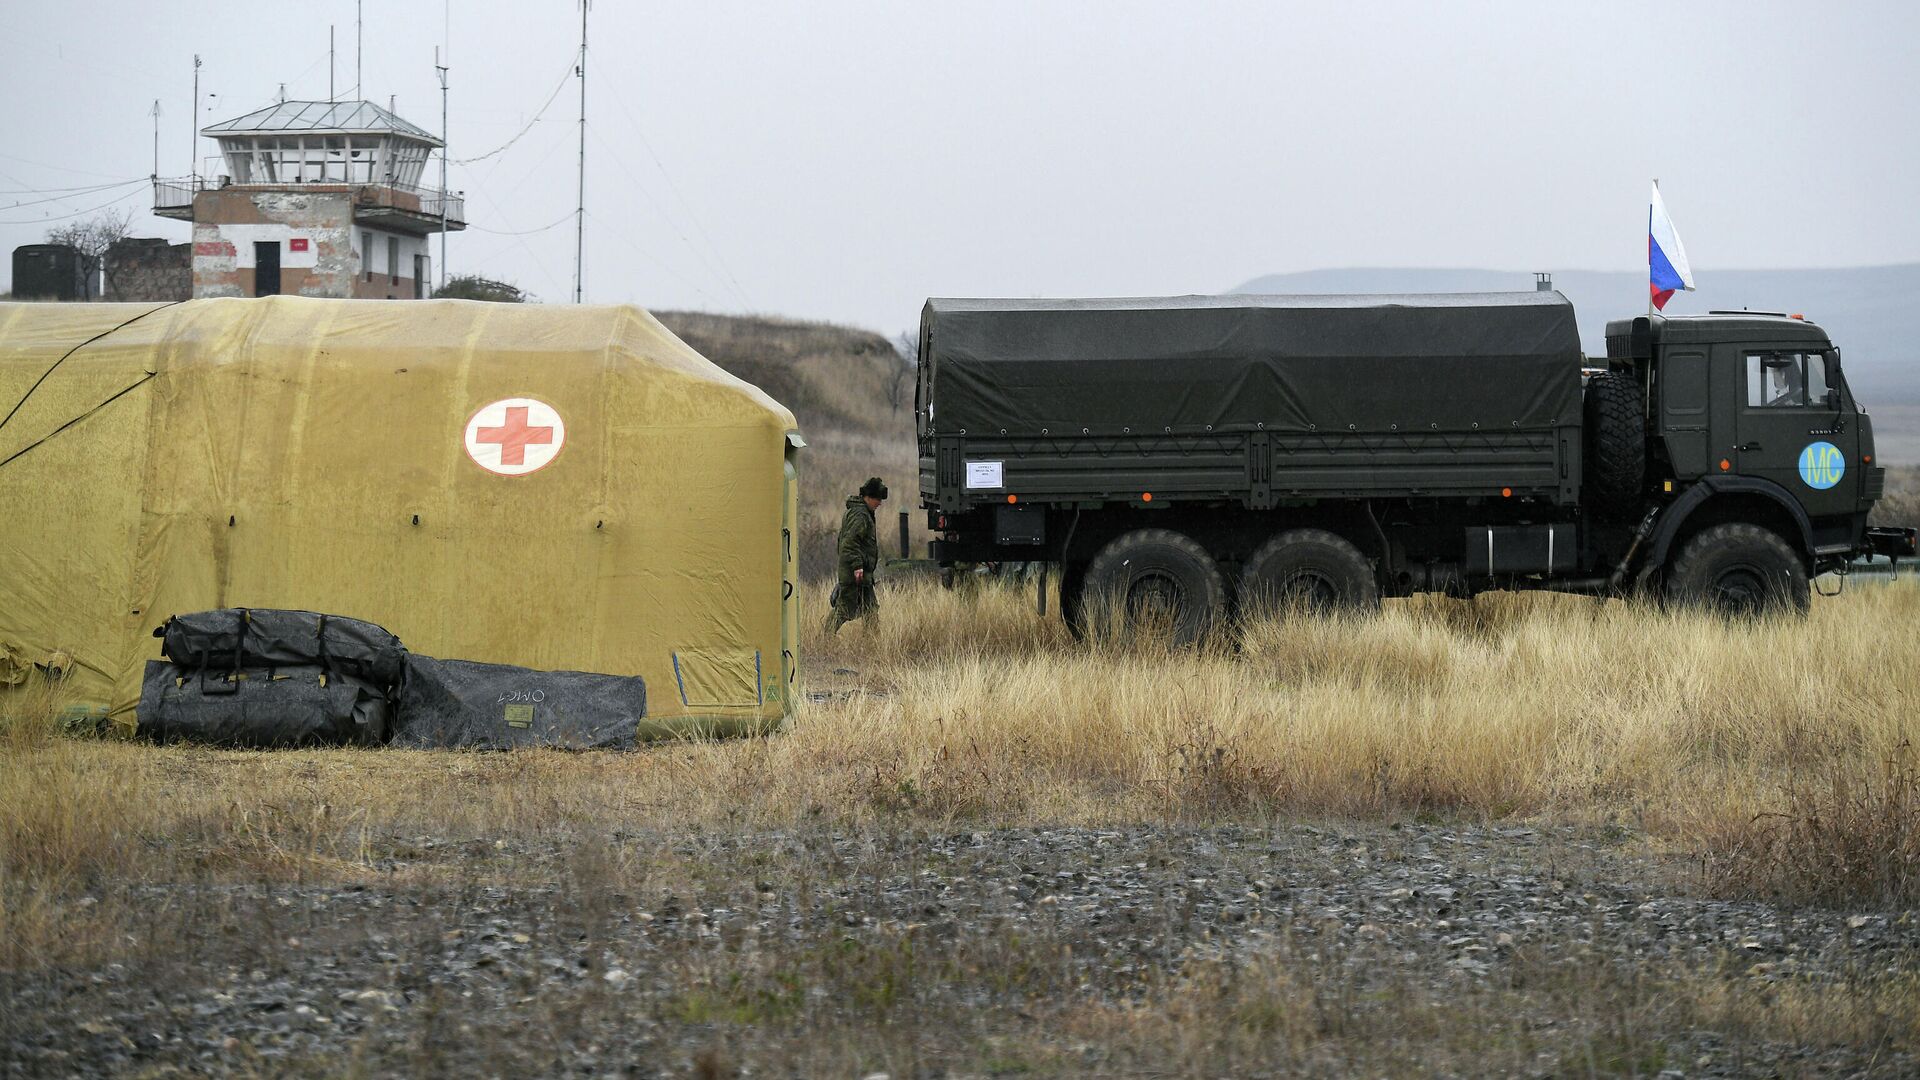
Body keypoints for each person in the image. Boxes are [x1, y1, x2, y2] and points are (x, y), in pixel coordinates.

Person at [826, 477, 886, 634]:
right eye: (877, 499)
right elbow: (849, 543)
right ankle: (825, 637)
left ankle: (871, 643)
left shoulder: (863, 513)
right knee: (845, 609)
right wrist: (857, 566)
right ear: (869, 497)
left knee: (870, 609)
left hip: (862, 574)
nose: (879, 503)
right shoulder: (860, 515)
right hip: (855, 573)